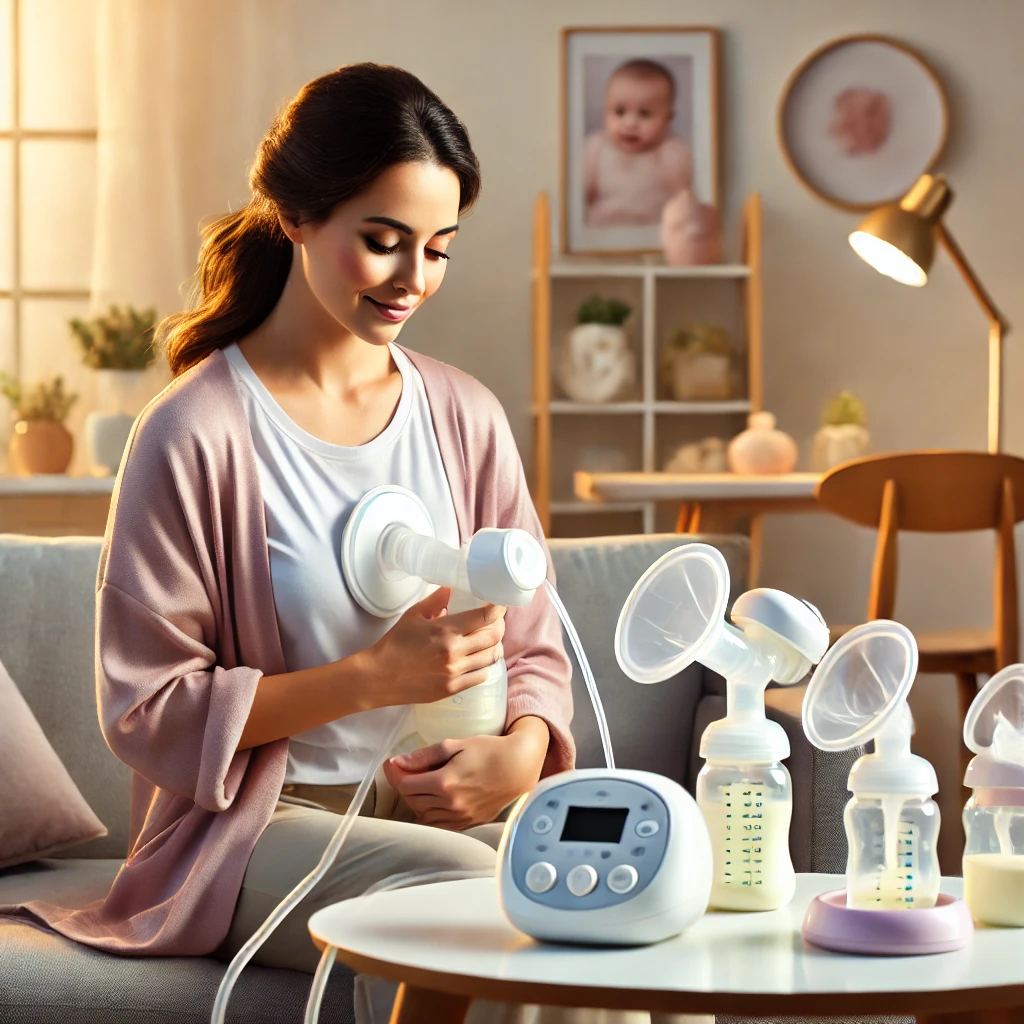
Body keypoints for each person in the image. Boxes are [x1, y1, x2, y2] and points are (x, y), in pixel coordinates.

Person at [2, 63, 581, 1024]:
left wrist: (521, 753)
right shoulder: (194, 435)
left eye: (439, 249)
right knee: (466, 901)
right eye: (384, 242)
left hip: (455, 804)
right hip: (264, 824)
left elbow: (536, 646)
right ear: (297, 216)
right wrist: (372, 678)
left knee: (626, 899)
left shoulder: (464, 417)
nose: (414, 279)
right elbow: (147, 708)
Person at [584, 58, 693, 228]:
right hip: (604, 235)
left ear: (668, 119)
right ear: (605, 111)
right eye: (619, 111)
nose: (630, 123)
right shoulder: (596, 147)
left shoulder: (670, 151)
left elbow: (683, 202)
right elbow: (582, 197)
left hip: (650, 238)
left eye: (645, 114)